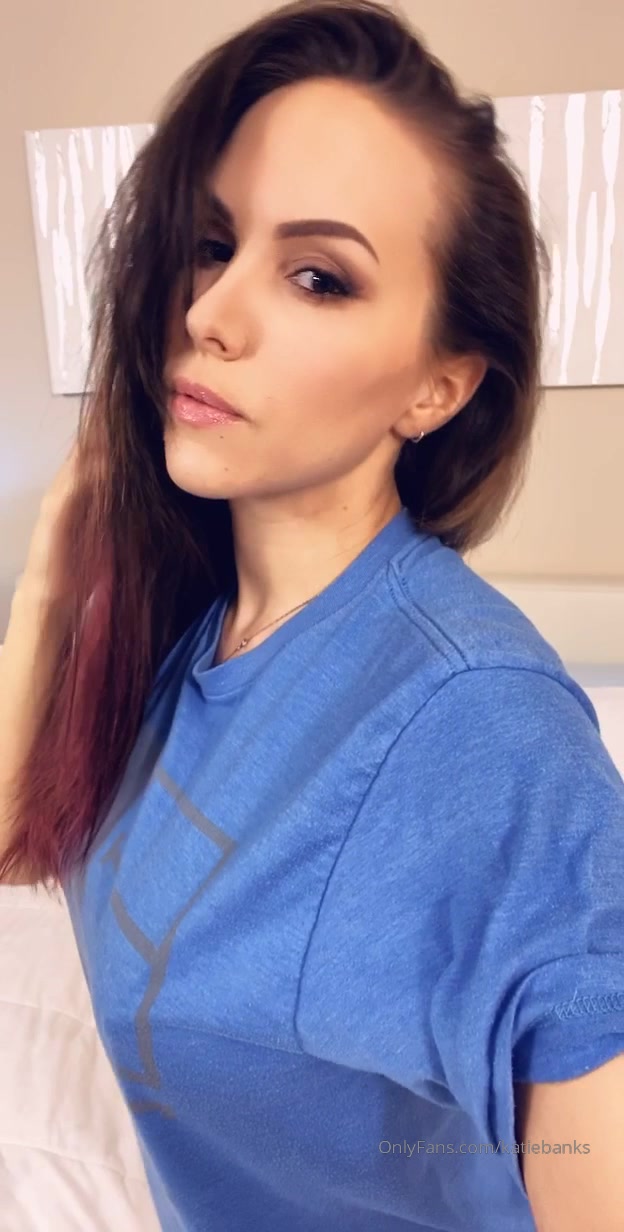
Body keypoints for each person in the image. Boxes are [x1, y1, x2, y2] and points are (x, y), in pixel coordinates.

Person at [1, 1, 624, 1229]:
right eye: (211, 244)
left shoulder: (481, 724)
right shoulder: (183, 629)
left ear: (438, 386)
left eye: (317, 276)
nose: (210, 314)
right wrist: (51, 588)